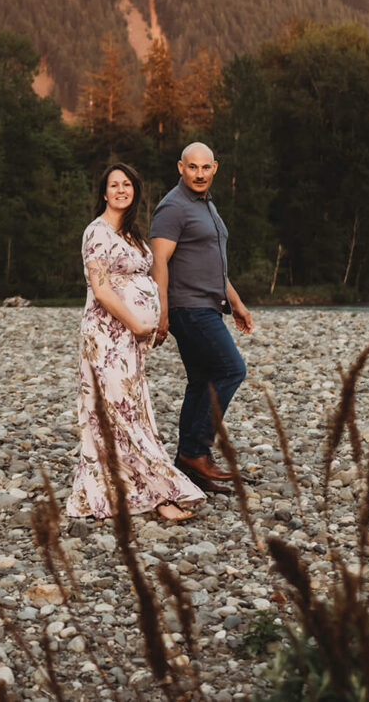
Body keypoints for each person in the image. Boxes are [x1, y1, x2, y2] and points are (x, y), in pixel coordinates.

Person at [66, 162, 205, 522]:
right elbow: (101, 289)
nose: (121, 190)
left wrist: (153, 321)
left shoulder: (133, 235)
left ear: (134, 191)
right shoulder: (96, 233)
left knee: (132, 410)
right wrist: (136, 324)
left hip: (129, 342)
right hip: (105, 337)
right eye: (114, 185)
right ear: (104, 193)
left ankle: (137, 490)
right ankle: (158, 492)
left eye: (127, 184)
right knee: (116, 412)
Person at [150, 142, 255, 492]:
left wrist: (235, 302)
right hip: (188, 307)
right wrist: (162, 311)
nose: (199, 174)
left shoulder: (206, 205)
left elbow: (212, 265)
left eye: (205, 168)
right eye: (192, 167)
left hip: (208, 304)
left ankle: (188, 467)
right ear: (181, 167)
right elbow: (159, 262)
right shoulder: (173, 207)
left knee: (200, 380)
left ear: (215, 168)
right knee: (231, 369)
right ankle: (197, 451)